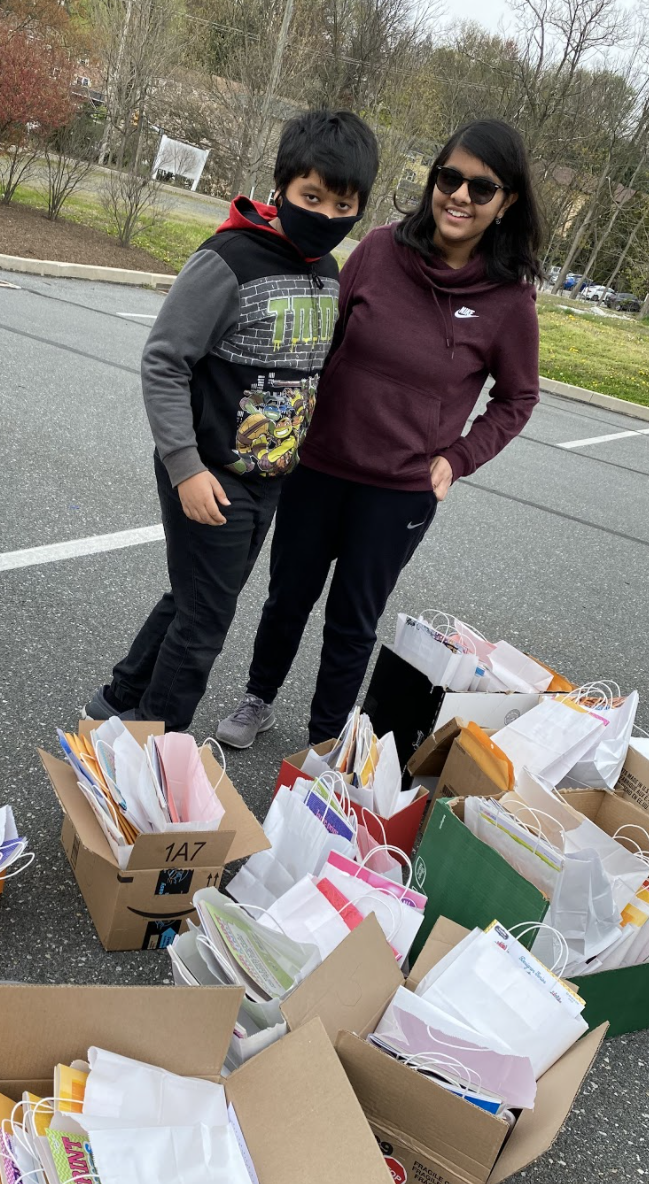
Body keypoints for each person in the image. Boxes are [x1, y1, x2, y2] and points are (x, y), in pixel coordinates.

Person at [217, 118, 543, 749]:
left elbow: (518, 397)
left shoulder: (509, 300)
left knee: (352, 620)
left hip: (399, 492)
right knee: (287, 598)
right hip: (318, 468)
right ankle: (258, 697)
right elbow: (321, 342)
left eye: (483, 188)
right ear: (433, 180)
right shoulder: (377, 249)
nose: (460, 196)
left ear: (506, 203)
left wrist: (460, 455)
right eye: (450, 178)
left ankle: (324, 742)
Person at [82, 109, 380, 731]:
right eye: (311, 197)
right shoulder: (229, 260)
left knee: (194, 599)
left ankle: (117, 699)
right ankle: (150, 747)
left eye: (342, 204)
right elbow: (165, 362)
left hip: (268, 477)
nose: (325, 215)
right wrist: (185, 469)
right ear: (282, 188)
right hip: (208, 472)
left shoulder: (327, 273)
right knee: (205, 624)